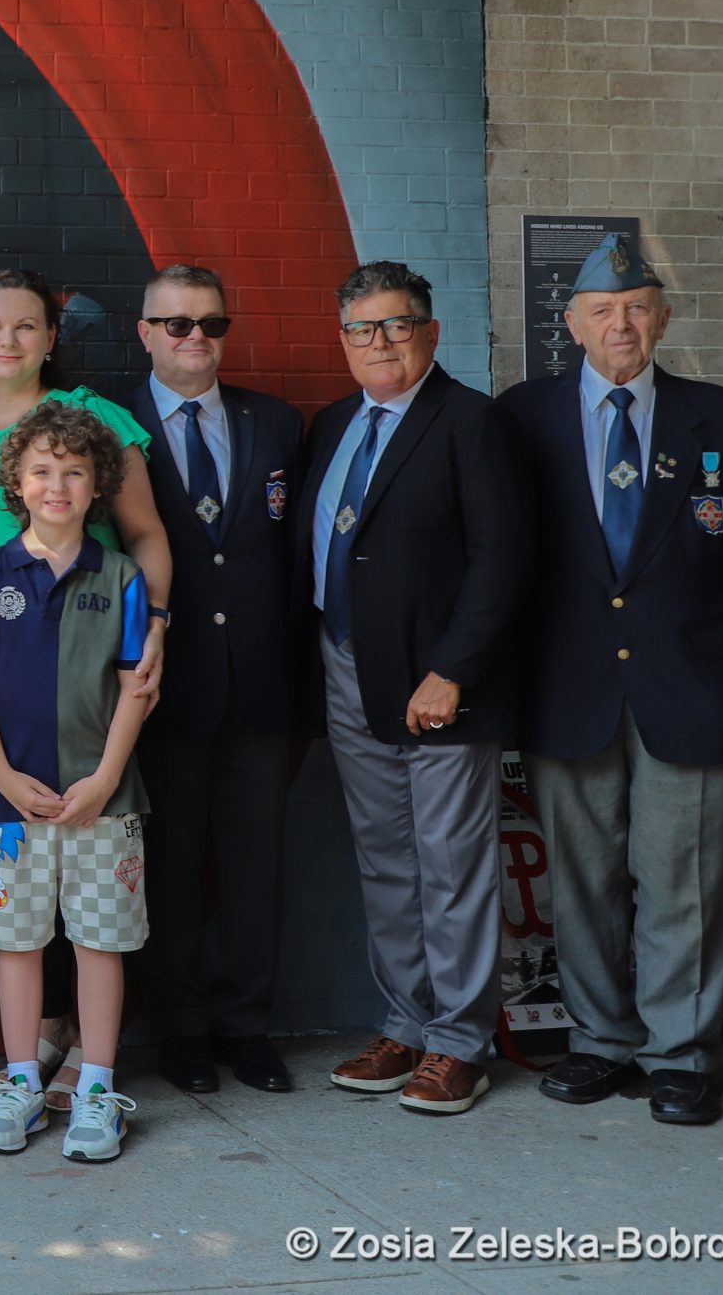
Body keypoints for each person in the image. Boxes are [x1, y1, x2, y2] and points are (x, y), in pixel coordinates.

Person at [498, 235, 723, 1126]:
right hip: (568, 690)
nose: (620, 323)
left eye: (636, 307)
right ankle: (599, 1041)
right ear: (573, 322)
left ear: (662, 317)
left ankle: (680, 1054)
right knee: (580, 883)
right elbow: (500, 565)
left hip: (698, 693)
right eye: (602, 310)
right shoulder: (521, 417)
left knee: (684, 884)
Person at [303, 260, 526, 1115]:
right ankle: (406, 1025)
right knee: (387, 859)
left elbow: (503, 556)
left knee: (451, 863)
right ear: (343, 340)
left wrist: (454, 668)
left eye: (397, 325)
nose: (380, 342)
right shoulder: (333, 424)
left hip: (438, 683)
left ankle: (459, 1043)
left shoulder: (472, 420)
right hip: (349, 665)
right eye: (362, 328)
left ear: (431, 332)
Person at [0, 268, 170, 1084]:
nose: (7, 340)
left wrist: (156, 626)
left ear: (51, 336)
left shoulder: (93, 420)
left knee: (95, 897)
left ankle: (93, 1060)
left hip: (95, 679)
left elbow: (147, 535)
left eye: (26, 324)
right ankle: (31, 1050)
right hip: (2, 688)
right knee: (22, 902)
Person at [0, 403, 152, 1162]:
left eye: (74, 471)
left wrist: (105, 777)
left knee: (100, 941)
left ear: (98, 485)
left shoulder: (122, 576)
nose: (57, 485)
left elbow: (135, 687)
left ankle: (97, 1087)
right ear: (16, 483)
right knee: (16, 942)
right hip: (8, 804)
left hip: (104, 802)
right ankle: (22, 1081)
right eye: (41, 471)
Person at [123, 265, 303, 1096]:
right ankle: (182, 1032)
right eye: (177, 323)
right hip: (163, 688)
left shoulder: (277, 422)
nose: (196, 337)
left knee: (255, 869)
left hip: (262, 686)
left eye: (211, 323)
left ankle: (247, 1027)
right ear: (146, 332)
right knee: (169, 868)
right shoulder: (115, 424)